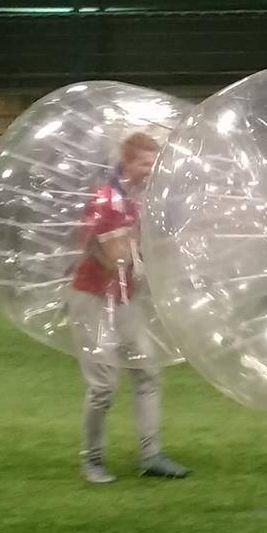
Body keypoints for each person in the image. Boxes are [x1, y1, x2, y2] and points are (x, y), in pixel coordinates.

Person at [67, 131, 190, 484]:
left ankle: (151, 455)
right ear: (127, 162)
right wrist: (141, 254)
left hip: (123, 299)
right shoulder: (106, 201)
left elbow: (133, 253)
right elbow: (108, 257)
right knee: (103, 385)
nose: (151, 170)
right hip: (93, 298)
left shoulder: (134, 202)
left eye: (154, 163)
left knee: (147, 371)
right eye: (145, 163)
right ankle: (92, 460)